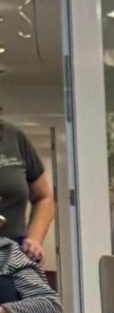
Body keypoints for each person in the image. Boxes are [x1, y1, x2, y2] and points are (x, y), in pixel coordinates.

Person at [0, 111, 53, 263]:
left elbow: (43, 197)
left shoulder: (13, 136)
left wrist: (34, 240)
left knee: (32, 279)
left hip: (12, 255)